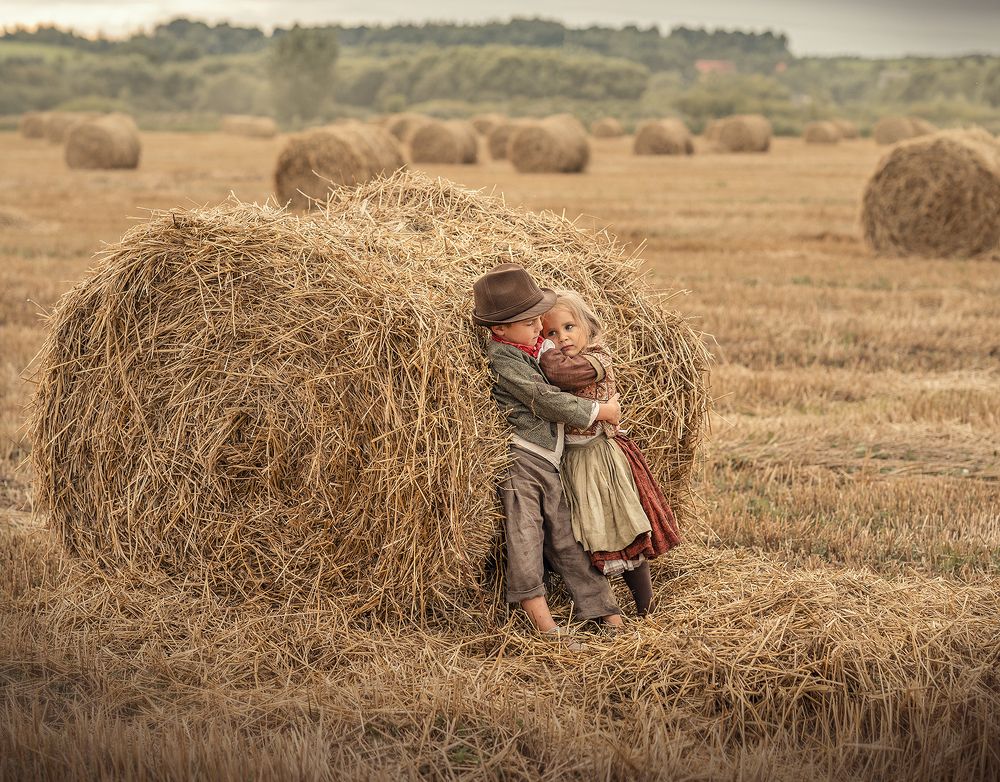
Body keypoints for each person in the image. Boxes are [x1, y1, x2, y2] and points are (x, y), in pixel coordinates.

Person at [472, 263, 624, 650]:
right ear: (499, 329)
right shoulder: (504, 358)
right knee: (526, 536)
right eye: (529, 323)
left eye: (539, 320)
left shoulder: (531, 346)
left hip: (547, 461)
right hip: (522, 462)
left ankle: (607, 612)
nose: (540, 328)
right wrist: (598, 412)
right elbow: (545, 399)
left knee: (567, 537)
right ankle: (545, 625)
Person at [540, 289, 681, 617]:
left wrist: (541, 350)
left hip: (601, 459)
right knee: (584, 533)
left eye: (569, 327)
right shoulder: (563, 359)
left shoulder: (596, 358)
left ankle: (646, 607)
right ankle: (598, 607)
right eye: (551, 333)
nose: (562, 338)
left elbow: (562, 375)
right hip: (572, 461)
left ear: (588, 325)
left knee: (622, 526)